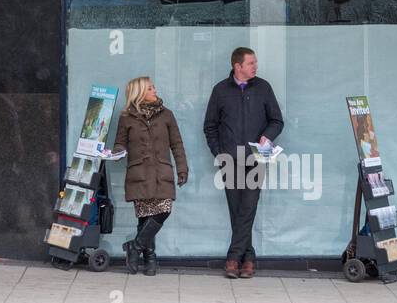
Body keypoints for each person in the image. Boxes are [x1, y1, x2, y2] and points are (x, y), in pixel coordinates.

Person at [203, 47, 284, 279]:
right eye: (251, 63)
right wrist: (219, 152)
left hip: (256, 159)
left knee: (248, 207)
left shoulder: (263, 87)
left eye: (255, 63)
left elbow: (277, 120)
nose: (255, 67)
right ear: (237, 66)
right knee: (236, 209)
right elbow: (210, 127)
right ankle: (248, 258)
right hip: (229, 159)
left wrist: (267, 135)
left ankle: (232, 258)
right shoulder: (220, 91)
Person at [113, 76, 189, 276]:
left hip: (161, 171)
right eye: (150, 88)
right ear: (139, 93)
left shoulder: (166, 115)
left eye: (153, 87)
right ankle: (150, 259)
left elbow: (177, 144)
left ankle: (135, 247)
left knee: (163, 210)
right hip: (139, 173)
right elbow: (120, 143)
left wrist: (182, 168)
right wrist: (117, 152)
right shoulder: (126, 117)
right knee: (145, 216)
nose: (154, 90)